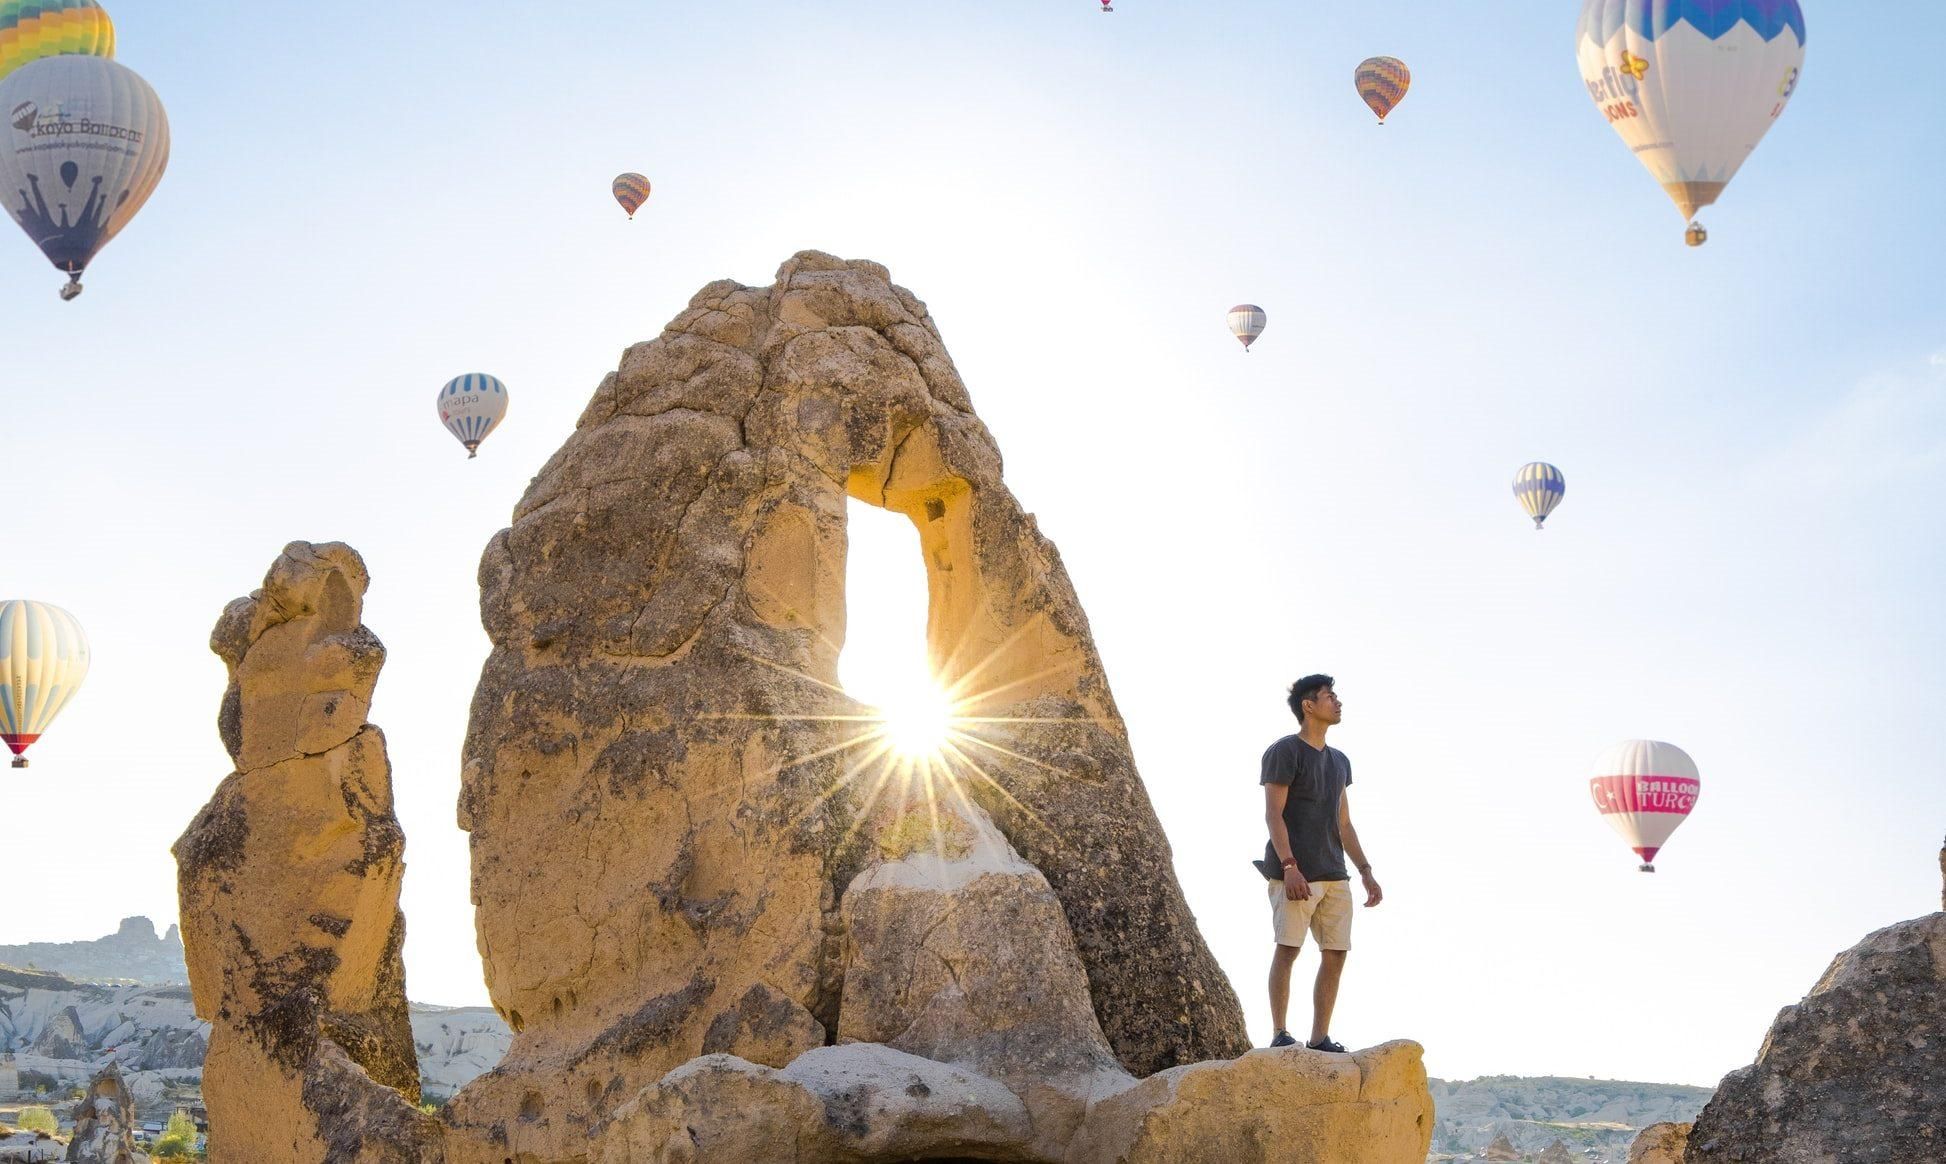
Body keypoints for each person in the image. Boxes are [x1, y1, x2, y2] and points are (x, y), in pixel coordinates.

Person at [1256, 673, 1382, 1051]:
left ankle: (1319, 1037)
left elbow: (1343, 823)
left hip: (1334, 873)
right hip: (1295, 872)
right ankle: (1280, 1031)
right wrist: (1290, 865)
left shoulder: (1340, 761)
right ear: (1308, 706)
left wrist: (1366, 872)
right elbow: (1273, 815)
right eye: (1330, 696)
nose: (1338, 701)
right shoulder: (1285, 752)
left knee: (1336, 953)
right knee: (1288, 948)